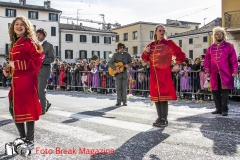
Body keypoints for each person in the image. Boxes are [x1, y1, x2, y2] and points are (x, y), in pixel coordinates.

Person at [3, 16, 44, 150]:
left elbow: (37, 61)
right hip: (16, 84)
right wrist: (8, 70)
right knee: (13, 108)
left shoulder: (30, 42)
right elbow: (14, 64)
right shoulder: (14, 43)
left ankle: (30, 140)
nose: (19, 26)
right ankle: (22, 136)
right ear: (13, 27)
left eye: (22, 24)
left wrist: (17, 65)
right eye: (16, 24)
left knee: (28, 109)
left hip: (27, 82)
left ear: (26, 27)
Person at [142, 24, 186, 127]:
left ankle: (164, 119)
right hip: (154, 75)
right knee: (156, 97)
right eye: (160, 30)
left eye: (163, 31)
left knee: (163, 96)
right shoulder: (150, 45)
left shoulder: (169, 43)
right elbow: (144, 60)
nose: (162, 32)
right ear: (156, 32)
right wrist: (146, 52)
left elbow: (181, 54)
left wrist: (177, 64)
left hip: (165, 74)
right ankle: (159, 117)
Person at [204, 27, 238, 116]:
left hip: (225, 73)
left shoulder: (229, 46)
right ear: (214, 36)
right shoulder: (210, 48)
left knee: (225, 92)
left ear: (223, 35)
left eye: (220, 34)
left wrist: (235, 70)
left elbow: (233, 59)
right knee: (215, 91)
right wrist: (207, 71)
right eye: (217, 34)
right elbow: (207, 60)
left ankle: (225, 109)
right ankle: (218, 108)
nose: (219, 35)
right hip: (214, 73)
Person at [36, 28, 54, 115]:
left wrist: (41, 61)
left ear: (43, 35)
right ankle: (46, 103)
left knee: (41, 91)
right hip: (36, 71)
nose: (37, 36)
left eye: (39, 34)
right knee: (36, 91)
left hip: (44, 71)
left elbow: (52, 58)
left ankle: (42, 109)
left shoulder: (49, 45)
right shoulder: (37, 45)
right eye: (37, 35)